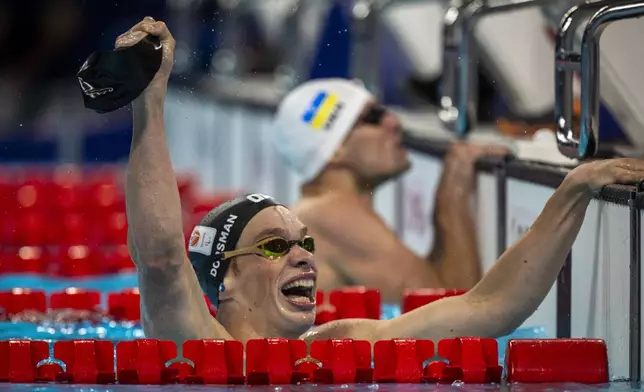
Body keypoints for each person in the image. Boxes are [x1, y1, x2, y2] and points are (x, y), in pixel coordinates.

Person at [123, 18, 644, 345]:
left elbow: (492, 306)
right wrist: (150, 104)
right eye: (277, 245)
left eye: (302, 243)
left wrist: (575, 187)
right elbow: (164, 259)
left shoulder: (349, 341)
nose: (306, 255)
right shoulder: (191, 347)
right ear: (226, 279)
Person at [270, 78, 509, 302]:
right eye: (373, 117)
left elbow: (431, 292)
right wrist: (455, 185)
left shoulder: (317, 211)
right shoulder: (332, 215)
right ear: (335, 150)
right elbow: (457, 315)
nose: (394, 122)